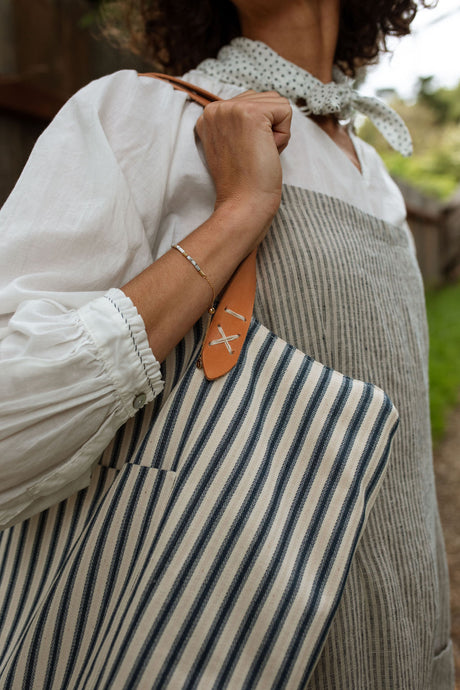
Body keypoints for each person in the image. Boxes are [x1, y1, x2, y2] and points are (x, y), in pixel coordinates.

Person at [0, 0, 454, 687]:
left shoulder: (375, 176)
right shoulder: (142, 118)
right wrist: (239, 214)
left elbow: (405, 470)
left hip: (388, 651)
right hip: (219, 649)